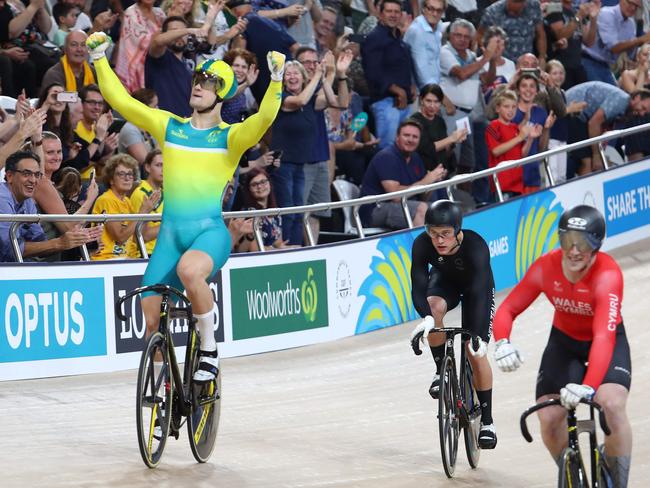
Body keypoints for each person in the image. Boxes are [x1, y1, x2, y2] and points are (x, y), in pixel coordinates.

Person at [87, 31, 284, 383]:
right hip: (170, 237)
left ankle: (208, 349)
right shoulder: (170, 127)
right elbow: (121, 100)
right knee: (149, 319)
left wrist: (277, 82)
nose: (199, 85)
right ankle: (162, 391)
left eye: (208, 82)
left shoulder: (229, 137)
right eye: (197, 79)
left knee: (191, 273)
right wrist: (100, 59)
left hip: (208, 234)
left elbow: (264, 118)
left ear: (221, 93)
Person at [493, 205, 631, 488]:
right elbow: (508, 308)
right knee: (549, 417)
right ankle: (572, 475)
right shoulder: (547, 266)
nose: (574, 250)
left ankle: (617, 482)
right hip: (564, 343)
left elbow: (604, 338)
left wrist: (589, 386)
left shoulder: (608, 275)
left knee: (611, 405)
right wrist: (502, 342)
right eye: (568, 240)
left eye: (584, 243)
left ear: (598, 245)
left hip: (607, 341)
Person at [409, 199, 498, 449]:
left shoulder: (476, 246)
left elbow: (481, 291)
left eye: (445, 234)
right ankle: (441, 370)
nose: (439, 240)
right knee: (433, 308)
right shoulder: (422, 245)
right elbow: (418, 286)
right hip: (444, 283)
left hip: (475, 289)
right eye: (433, 234)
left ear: (458, 231)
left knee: (473, 350)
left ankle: (488, 421)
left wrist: (479, 336)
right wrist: (427, 319)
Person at [0, 150, 102, 262]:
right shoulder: (2, 198)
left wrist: (75, 239)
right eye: (26, 174)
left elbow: (39, 241)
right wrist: (59, 243)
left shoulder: (27, 201)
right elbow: (9, 249)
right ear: (9, 176)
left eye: (37, 175)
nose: (33, 180)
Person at [359, 119, 446, 229]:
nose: (410, 140)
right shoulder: (387, 157)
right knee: (421, 209)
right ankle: (420, 246)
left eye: (415, 137)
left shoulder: (415, 158)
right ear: (397, 137)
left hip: (404, 205)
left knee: (440, 209)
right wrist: (425, 181)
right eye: (406, 135)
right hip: (375, 209)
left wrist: (432, 181)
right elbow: (395, 196)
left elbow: (423, 196)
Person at [361, 0, 416, 149]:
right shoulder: (374, 38)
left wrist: (410, 86)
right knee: (387, 150)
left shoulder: (399, 39)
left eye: (396, 12)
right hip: (386, 103)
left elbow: (402, 67)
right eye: (389, 11)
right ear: (380, 14)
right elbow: (373, 73)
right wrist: (397, 90)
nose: (393, 15)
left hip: (403, 102)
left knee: (405, 149)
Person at [91, 153, 160, 261]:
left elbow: (137, 238)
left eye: (130, 174)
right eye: (121, 174)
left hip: (125, 258)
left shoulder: (127, 201)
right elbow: (120, 238)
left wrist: (147, 213)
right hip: (106, 259)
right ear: (111, 179)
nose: (127, 178)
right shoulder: (106, 200)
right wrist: (142, 212)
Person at [581, 0, 649, 86]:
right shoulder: (607, 13)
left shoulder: (630, 25)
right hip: (589, 61)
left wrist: (644, 43)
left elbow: (630, 55)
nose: (632, 8)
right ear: (621, 1)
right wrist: (640, 40)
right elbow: (613, 48)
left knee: (615, 96)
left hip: (606, 66)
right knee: (601, 96)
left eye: (636, 6)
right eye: (630, 3)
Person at [114, 0, 166, 93]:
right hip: (137, 68)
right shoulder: (131, 13)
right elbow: (144, 42)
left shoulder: (159, 13)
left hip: (159, 65)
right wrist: (166, 31)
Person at [478, 0, 547, 67]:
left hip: (526, 62)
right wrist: (488, 55)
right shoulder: (493, 11)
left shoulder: (534, 6)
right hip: (502, 63)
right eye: (511, 11)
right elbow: (480, 35)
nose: (514, 13)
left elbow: (540, 34)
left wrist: (542, 57)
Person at [127, 149, 164, 258]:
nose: (163, 169)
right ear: (147, 167)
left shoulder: (166, 193)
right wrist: (171, 223)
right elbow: (143, 236)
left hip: (164, 251)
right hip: (145, 253)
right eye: (159, 165)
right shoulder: (141, 194)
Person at [403, 0, 446, 90]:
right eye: (431, 9)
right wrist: (438, 94)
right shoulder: (417, 31)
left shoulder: (438, 27)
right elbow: (421, 72)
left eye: (439, 10)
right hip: (421, 91)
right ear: (423, 9)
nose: (434, 14)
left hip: (435, 85)